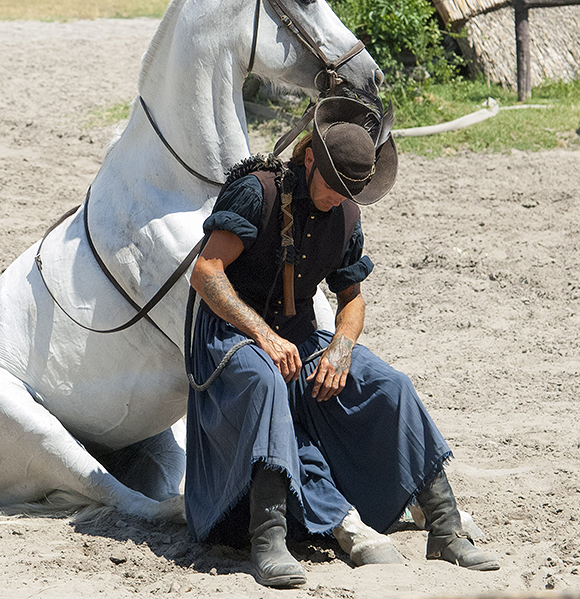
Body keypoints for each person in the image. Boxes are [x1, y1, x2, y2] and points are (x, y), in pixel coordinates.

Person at [185, 97, 499, 588]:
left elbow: (351, 300)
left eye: (349, 191)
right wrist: (264, 335)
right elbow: (205, 273)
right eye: (332, 186)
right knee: (266, 380)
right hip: (231, 334)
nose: (338, 198)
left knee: (388, 382)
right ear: (309, 159)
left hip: (302, 337)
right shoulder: (256, 192)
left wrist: (342, 347)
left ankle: (444, 526)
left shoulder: (347, 214)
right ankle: (269, 537)